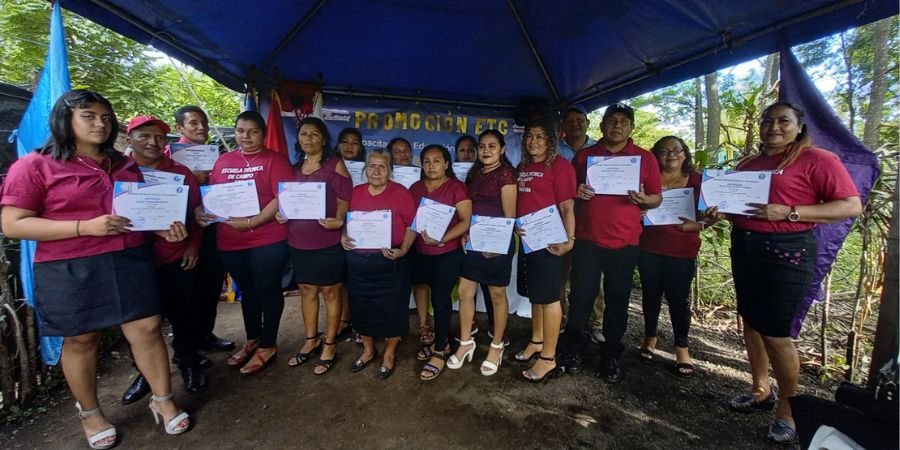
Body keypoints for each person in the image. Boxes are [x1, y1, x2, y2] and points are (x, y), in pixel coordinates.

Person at [1, 90, 191, 448]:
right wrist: (83, 227)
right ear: (65, 120)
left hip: (128, 258)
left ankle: (163, 399)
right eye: (88, 116)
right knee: (81, 338)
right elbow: (13, 224)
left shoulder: (123, 165)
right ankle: (90, 412)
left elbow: (138, 214)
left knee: (148, 328)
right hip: (69, 263)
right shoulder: (34, 165)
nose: (100, 124)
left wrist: (164, 226)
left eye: (105, 117)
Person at [720, 102, 861, 444]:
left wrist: (790, 212)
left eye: (784, 120)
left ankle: (789, 410)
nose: (774, 126)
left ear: (799, 126)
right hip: (745, 246)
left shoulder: (817, 160)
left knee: (777, 332)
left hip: (786, 252)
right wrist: (720, 208)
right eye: (768, 120)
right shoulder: (749, 164)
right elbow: (740, 207)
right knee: (751, 321)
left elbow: (851, 205)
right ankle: (760, 390)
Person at [563, 103, 662, 383]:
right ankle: (573, 349)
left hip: (626, 241)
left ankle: (611, 355)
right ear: (602, 125)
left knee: (617, 302)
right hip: (587, 239)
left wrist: (646, 201)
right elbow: (570, 191)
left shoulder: (645, 158)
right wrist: (578, 190)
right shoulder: (584, 157)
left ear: (631, 127)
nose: (617, 125)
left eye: (623, 121)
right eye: (612, 120)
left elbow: (657, 197)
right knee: (581, 297)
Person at [195, 111, 293, 375]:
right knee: (247, 291)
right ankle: (253, 339)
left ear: (262, 133)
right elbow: (213, 197)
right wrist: (201, 211)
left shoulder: (275, 160)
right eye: (240, 131)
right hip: (230, 239)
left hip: (267, 237)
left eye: (253, 131)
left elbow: (280, 198)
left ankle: (268, 344)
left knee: (268, 289)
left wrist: (252, 222)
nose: (246, 136)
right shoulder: (223, 161)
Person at [120, 115, 207, 400]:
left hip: (176, 256)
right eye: (145, 136)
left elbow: (197, 215)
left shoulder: (180, 172)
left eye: (159, 137)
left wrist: (193, 246)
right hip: (133, 260)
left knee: (186, 313)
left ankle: (189, 363)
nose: (153, 142)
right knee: (142, 322)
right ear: (129, 138)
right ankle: (146, 373)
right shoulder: (119, 172)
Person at [280, 117, 351, 375]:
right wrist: (282, 213)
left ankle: (330, 343)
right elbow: (286, 200)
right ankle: (311, 339)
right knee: (307, 290)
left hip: (328, 239)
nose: (308, 139)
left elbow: (345, 197)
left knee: (331, 292)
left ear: (323, 139)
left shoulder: (335, 164)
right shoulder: (294, 167)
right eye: (303, 134)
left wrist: (340, 219)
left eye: (314, 134)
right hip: (299, 240)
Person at [341, 149, 417, 380]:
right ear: (365, 169)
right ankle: (368, 349)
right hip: (359, 262)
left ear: (390, 171)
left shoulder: (401, 193)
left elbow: (413, 225)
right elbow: (345, 221)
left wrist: (403, 249)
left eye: (382, 166)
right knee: (362, 307)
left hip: (390, 261)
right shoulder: (355, 193)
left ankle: (390, 353)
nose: (376, 171)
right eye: (371, 166)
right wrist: (343, 237)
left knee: (392, 309)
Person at [638, 136, 708, 378]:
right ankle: (650, 337)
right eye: (664, 151)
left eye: (676, 150)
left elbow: (712, 215)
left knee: (679, 300)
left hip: (682, 248)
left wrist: (699, 225)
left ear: (685, 153)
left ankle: (682, 347)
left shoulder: (698, 181)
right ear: (655, 155)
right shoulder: (646, 178)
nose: (671, 155)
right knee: (650, 295)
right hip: (648, 246)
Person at [450, 130, 517, 377]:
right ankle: (466, 342)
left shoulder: (507, 174)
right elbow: (469, 210)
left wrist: (496, 244)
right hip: (474, 241)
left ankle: (496, 346)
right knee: (466, 292)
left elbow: (510, 216)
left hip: (498, 243)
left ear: (502, 149)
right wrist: (466, 232)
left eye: (492, 146)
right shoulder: (475, 174)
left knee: (496, 294)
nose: (486, 150)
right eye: (482, 146)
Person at [514, 118, 576, 383]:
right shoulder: (523, 167)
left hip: (552, 241)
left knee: (550, 297)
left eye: (540, 137)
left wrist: (569, 239)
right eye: (529, 136)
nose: (533, 141)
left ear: (551, 141)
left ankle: (549, 358)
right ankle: (537, 340)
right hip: (529, 240)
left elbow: (567, 207)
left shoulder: (560, 166)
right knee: (536, 295)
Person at [175, 106, 235, 357]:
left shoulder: (217, 158)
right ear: (180, 128)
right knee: (187, 293)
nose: (200, 128)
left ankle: (205, 335)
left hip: (212, 228)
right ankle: (186, 350)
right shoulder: (171, 160)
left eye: (203, 123)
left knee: (211, 285)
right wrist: (192, 180)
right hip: (181, 234)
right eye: (193, 123)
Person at [409, 144, 472, 381]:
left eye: (436, 161)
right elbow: (409, 220)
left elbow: (466, 221)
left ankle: (439, 351)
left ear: (446, 164)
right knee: (422, 289)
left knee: (441, 300)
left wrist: (442, 239)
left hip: (447, 253)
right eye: (426, 161)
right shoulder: (415, 188)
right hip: (419, 252)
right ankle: (437, 339)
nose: (431, 165)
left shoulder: (456, 187)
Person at [557, 105, 604, 341]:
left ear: (587, 122)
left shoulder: (601, 150)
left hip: (592, 222)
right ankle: (561, 321)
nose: (575, 124)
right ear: (563, 126)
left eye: (580, 119)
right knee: (560, 277)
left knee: (592, 278)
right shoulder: (554, 152)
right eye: (570, 120)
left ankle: (594, 323)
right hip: (560, 222)